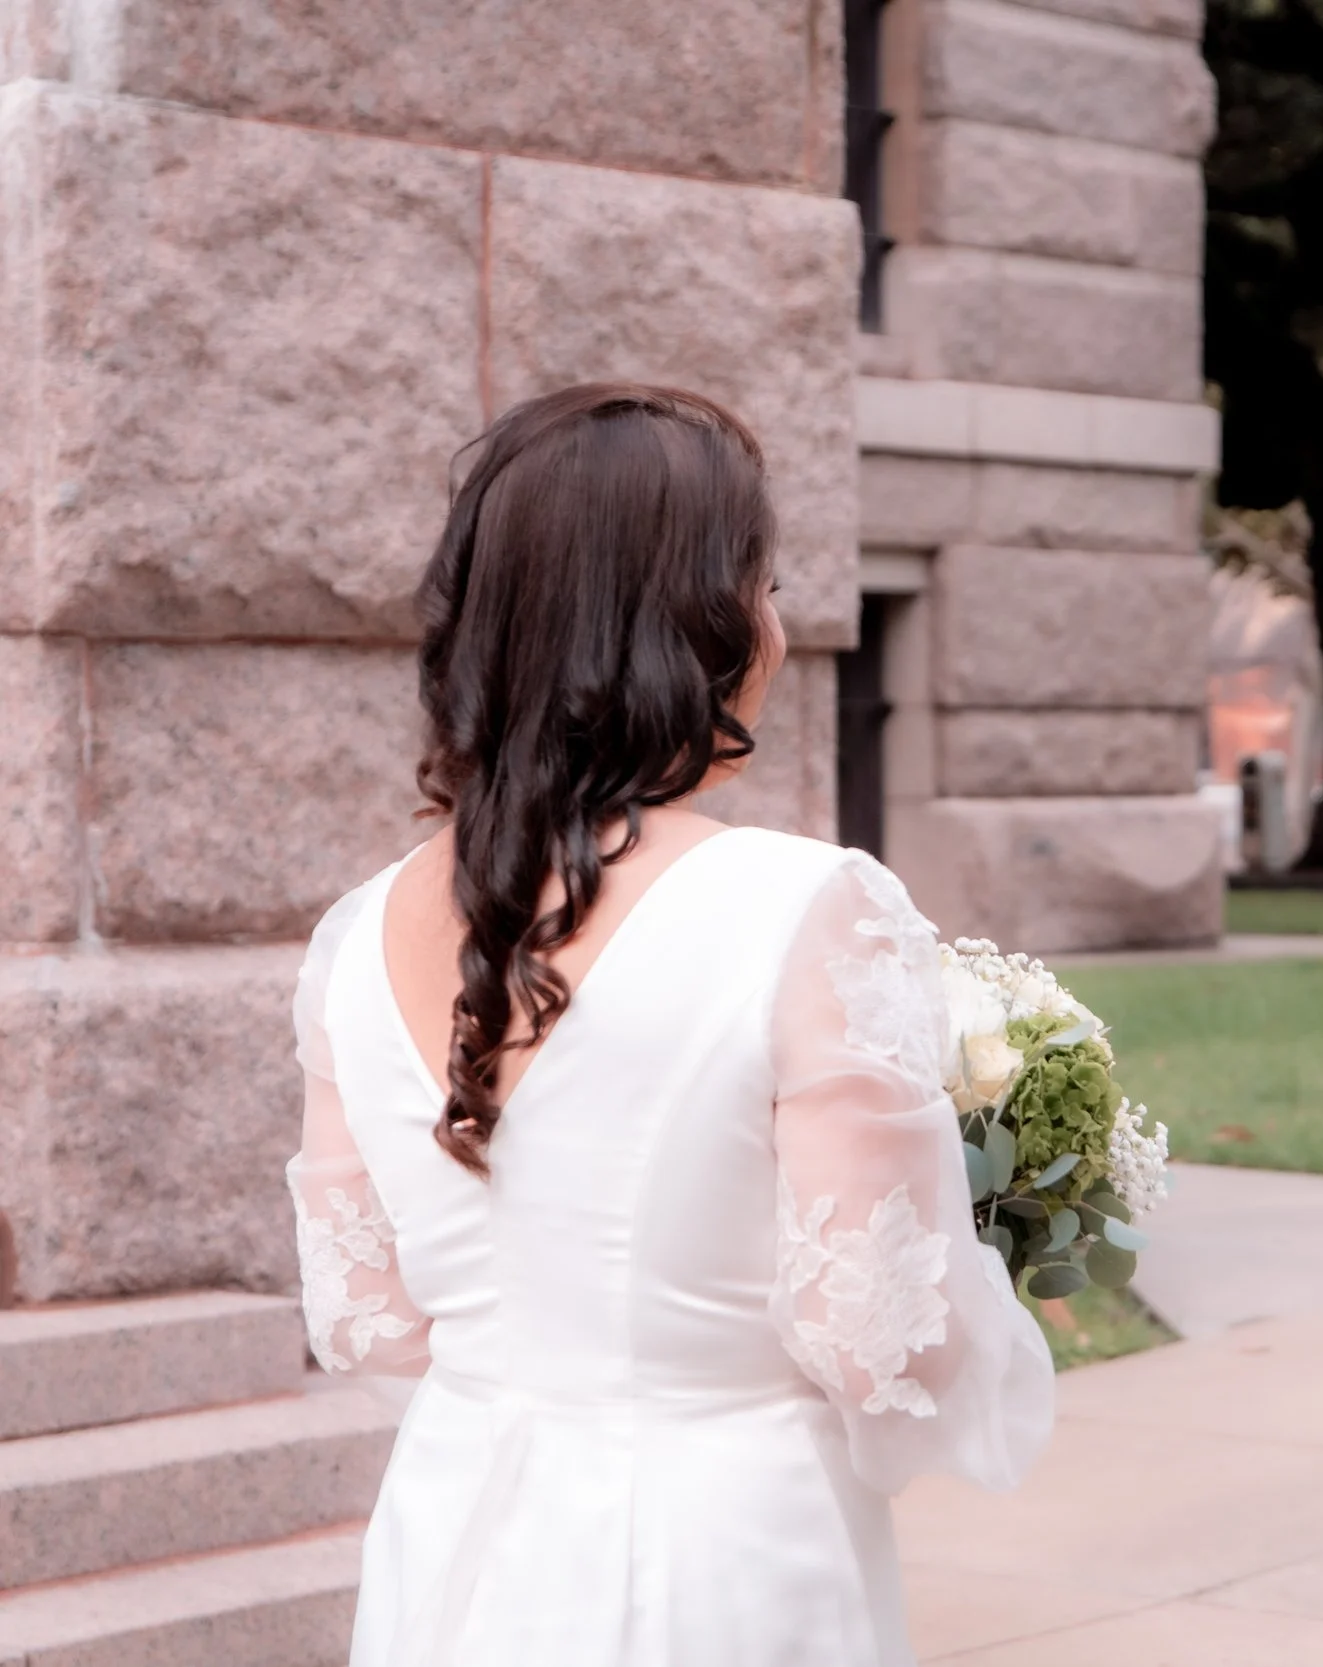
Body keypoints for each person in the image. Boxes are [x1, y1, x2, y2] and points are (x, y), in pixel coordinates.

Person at [285, 384, 1053, 1667]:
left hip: (457, 1524)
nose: (776, 622)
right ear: (693, 624)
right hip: (728, 1543)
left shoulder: (351, 935)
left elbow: (370, 1317)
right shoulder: (808, 906)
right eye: (760, 583)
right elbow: (883, 1343)